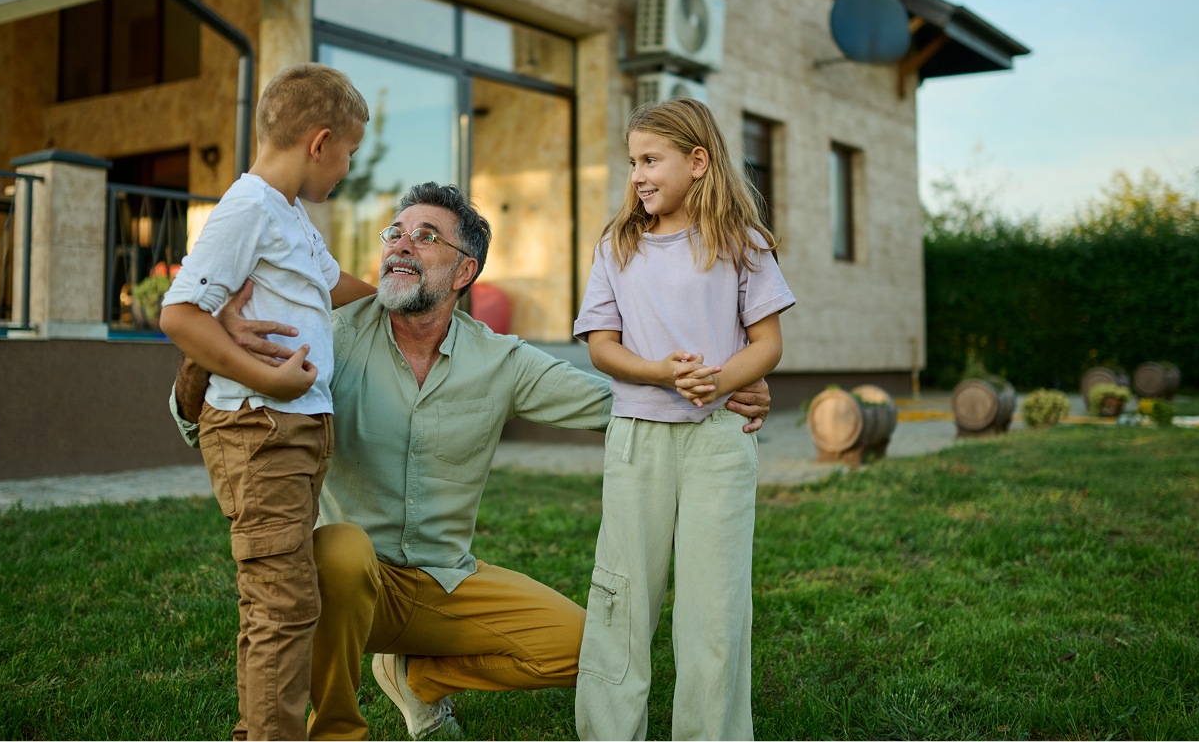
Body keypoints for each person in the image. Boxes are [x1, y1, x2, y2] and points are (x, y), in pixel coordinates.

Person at [169, 182, 775, 742]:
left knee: (591, 652)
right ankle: (335, 724)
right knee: (338, 549)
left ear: (466, 270)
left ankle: (420, 680)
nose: (402, 245)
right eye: (395, 233)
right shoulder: (334, 335)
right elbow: (196, 420)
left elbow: (613, 403)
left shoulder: (501, 360)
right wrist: (204, 349)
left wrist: (719, 386)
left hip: (445, 580)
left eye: (427, 236)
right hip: (349, 586)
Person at [158, 62, 378, 742]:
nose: (347, 168)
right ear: (319, 142)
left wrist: (391, 288)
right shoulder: (248, 207)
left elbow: (330, 281)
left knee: (290, 597)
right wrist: (275, 382)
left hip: (295, 430)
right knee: (280, 605)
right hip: (260, 427)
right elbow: (180, 311)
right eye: (349, 153)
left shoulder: (288, 214)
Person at [572, 97, 795, 742]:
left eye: (651, 160)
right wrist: (664, 373)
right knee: (622, 598)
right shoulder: (617, 246)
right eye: (632, 162)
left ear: (698, 162)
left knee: (714, 605)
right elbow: (602, 346)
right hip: (637, 439)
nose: (638, 174)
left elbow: (767, 343)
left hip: (718, 443)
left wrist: (716, 383)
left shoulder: (742, 243)